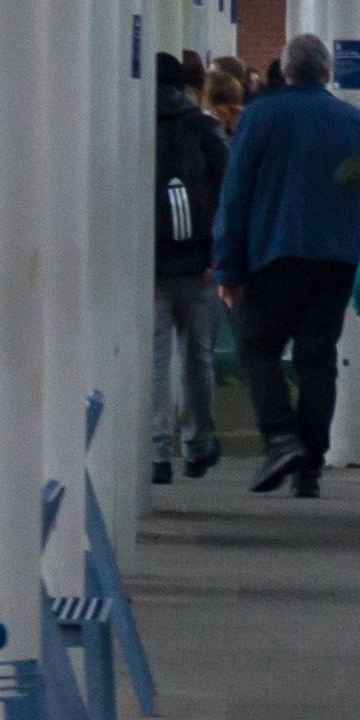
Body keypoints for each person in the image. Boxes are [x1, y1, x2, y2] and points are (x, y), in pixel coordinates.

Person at [209, 32, 360, 495]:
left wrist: (228, 266)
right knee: (317, 358)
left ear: (285, 71)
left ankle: (281, 439)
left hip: (273, 254)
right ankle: (309, 465)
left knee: (258, 349)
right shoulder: (356, 122)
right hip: (339, 258)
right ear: (327, 72)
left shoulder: (260, 117)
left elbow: (236, 194)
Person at [148, 52, 229, 477]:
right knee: (198, 356)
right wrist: (219, 255)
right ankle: (197, 444)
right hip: (198, 260)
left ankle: (157, 451)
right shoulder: (203, 127)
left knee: (156, 358)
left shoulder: (131, 122)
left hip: (149, 263)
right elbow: (225, 192)